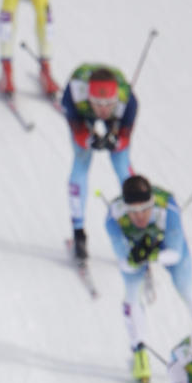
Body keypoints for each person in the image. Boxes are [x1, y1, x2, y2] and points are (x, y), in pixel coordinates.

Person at [104, 174, 192, 383]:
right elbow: (123, 263)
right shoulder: (113, 217)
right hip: (135, 251)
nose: (140, 216)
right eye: (133, 211)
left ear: (152, 202)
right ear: (125, 208)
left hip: (165, 247)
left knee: (187, 289)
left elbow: (175, 254)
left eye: (145, 208)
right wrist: (136, 257)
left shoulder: (167, 207)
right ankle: (139, 353)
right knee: (132, 295)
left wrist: (152, 255)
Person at [62, 64, 136, 263]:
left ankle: (138, 232)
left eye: (108, 104)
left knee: (122, 166)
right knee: (81, 163)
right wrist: (89, 139)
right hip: (82, 114)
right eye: (98, 104)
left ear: (116, 99)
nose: (103, 110)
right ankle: (79, 233)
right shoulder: (73, 94)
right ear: (88, 97)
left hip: (115, 117)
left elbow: (125, 136)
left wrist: (116, 139)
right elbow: (77, 131)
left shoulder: (127, 100)